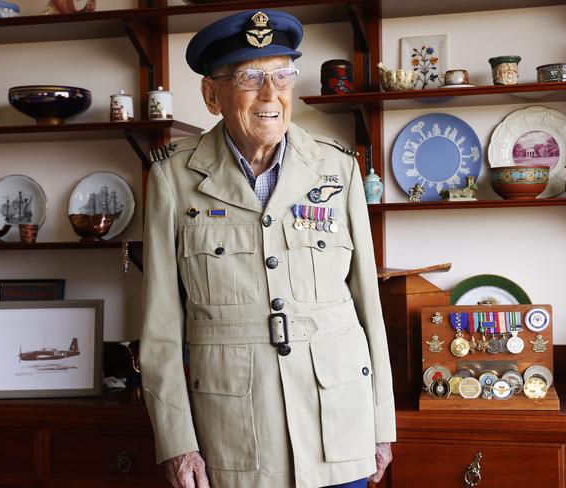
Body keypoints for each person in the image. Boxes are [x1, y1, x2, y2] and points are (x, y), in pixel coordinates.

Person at [140, 9, 395, 488]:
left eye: (282, 76)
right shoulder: (173, 177)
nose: (271, 94)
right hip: (235, 436)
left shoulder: (336, 169)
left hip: (337, 426)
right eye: (250, 77)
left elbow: (368, 307)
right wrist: (177, 441)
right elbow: (160, 324)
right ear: (212, 94)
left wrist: (381, 425)